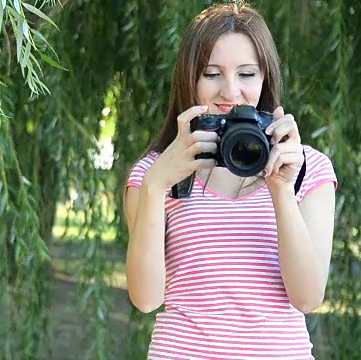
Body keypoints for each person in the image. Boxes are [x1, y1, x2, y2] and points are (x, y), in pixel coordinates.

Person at [124, 2, 337, 359]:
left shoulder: (308, 168)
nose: (230, 91)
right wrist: (157, 184)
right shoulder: (154, 174)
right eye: (211, 73)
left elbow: (308, 297)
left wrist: (282, 190)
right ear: (189, 79)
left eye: (247, 74)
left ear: (265, 76)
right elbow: (146, 299)